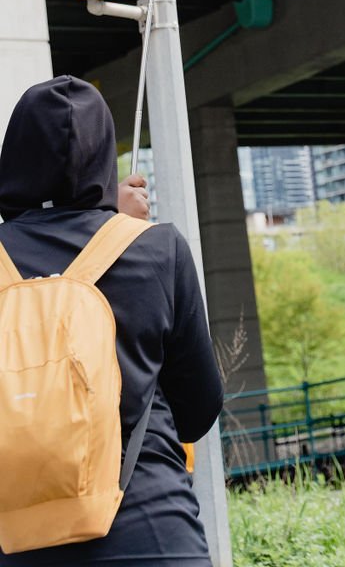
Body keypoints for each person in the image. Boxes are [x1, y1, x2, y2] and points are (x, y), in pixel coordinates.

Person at [0, 76, 224, 565]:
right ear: (105, 158)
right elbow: (198, 408)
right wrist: (114, 225)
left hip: (15, 543)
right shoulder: (157, 249)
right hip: (154, 533)